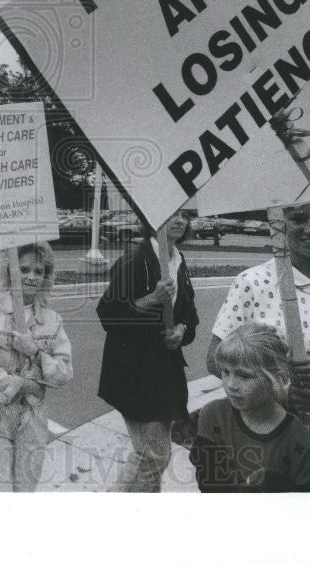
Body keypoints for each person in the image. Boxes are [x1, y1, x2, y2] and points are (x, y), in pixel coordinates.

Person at [207, 202, 310, 480]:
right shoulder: (253, 282)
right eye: (298, 219)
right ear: (281, 224)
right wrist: (280, 393)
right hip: (273, 439)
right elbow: (215, 360)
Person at [96, 208, 200, 492]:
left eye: (186, 216)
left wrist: (181, 331)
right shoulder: (134, 261)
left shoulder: (178, 260)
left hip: (164, 373)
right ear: (152, 218)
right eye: (173, 214)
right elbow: (109, 315)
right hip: (134, 374)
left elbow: (189, 316)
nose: (180, 220)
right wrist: (152, 298)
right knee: (153, 454)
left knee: (153, 454)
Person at [0, 241, 73, 492]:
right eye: (24, 270)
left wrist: (35, 352)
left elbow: (64, 372)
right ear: (9, 272)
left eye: (39, 271)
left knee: (24, 493)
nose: (32, 277)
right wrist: (25, 384)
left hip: (32, 419)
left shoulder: (52, 320)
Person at [190, 323, 310, 492]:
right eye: (225, 372)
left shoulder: (301, 444)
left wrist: (274, 484)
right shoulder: (214, 415)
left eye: (244, 375)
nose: (231, 385)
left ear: (278, 379)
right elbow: (208, 483)